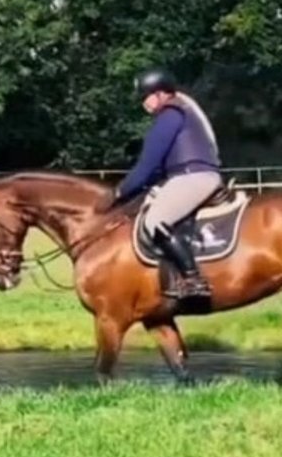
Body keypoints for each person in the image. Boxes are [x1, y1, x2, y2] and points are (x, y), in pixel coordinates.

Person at [95, 68, 222, 300]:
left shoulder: (170, 114)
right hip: (187, 175)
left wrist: (119, 192)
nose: (144, 102)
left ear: (162, 93)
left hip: (192, 176)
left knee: (155, 221)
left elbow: (147, 165)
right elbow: (157, 169)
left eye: (147, 95)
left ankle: (193, 279)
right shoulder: (181, 111)